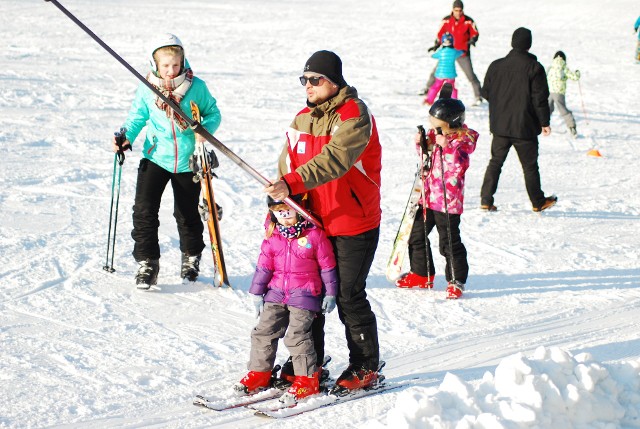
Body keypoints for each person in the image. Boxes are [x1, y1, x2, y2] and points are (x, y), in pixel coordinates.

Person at [264, 50, 382, 392]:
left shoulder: (355, 115)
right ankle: (308, 363)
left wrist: (292, 182)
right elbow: (287, 166)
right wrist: (280, 203)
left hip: (352, 222)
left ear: (334, 81)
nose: (309, 86)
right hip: (312, 224)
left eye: (316, 80)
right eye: (305, 80)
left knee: (347, 295)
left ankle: (365, 365)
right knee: (306, 295)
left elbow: (336, 160)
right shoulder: (302, 118)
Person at [112, 33, 221, 289]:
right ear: (155, 65)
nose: (171, 71)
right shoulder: (147, 87)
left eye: (176, 64)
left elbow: (213, 113)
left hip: (187, 160)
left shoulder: (197, 87)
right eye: (165, 66)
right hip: (156, 157)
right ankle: (147, 262)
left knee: (186, 214)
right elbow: (137, 116)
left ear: (183, 61)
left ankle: (191, 257)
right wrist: (125, 136)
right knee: (144, 211)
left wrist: (203, 129)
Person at [236, 196, 338, 403]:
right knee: (263, 331)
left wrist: (331, 293)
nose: (284, 218)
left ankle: (308, 380)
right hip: (275, 292)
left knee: (297, 336)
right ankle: (260, 372)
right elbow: (264, 266)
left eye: (288, 212)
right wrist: (257, 292)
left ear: (298, 211)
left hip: (305, 294)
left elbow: (327, 266)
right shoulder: (272, 236)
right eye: (278, 213)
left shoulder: (314, 235)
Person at [396, 91, 478, 299]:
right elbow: (427, 161)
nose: (431, 125)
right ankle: (422, 273)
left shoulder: (462, 142)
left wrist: (446, 147)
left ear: (449, 123)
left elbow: (457, 167)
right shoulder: (437, 136)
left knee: (448, 242)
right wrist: (422, 144)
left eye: (435, 122)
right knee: (416, 235)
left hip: (448, 202)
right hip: (427, 197)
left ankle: (456, 280)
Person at [479, 27, 557, 213]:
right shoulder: (534, 68)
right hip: (524, 128)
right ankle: (538, 202)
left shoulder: (496, 66)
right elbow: (540, 98)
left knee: (495, 162)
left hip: (500, 127)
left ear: (512, 42)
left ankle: (486, 200)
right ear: (529, 45)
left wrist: (502, 106)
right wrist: (544, 122)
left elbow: (485, 92)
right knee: (530, 167)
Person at [423, 0, 482, 106]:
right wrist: (437, 44)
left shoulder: (468, 21)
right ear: (452, 10)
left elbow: (475, 33)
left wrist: (472, 40)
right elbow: (440, 33)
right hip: (447, 52)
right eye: (456, 10)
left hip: (462, 52)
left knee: (470, 75)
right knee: (438, 71)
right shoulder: (446, 20)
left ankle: (478, 96)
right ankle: (427, 89)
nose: (458, 13)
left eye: (460, 10)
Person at [547, 51, 581, 138]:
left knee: (547, 109)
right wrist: (577, 73)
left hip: (550, 91)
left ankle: (541, 124)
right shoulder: (563, 67)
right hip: (559, 93)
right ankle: (572, 127)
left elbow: (545, 77)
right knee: (563, 110)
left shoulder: (551, 67)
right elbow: (574, 77)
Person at [424, 33, 464, 105]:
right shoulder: (454, 52)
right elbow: (460, 52)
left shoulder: (441, 52)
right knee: (451, 88)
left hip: (440, 74)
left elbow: (434, 55)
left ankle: (429, 100)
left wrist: (435, 49)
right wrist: (463, 50)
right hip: (450, 74)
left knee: (436, 86)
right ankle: (454, 102)